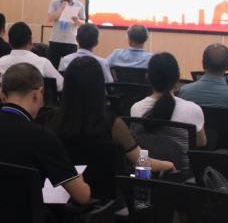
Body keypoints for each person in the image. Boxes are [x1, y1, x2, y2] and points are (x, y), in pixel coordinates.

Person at [0, 63, 91, 206]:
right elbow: (83, 196)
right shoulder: (43, 138)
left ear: (2, 94)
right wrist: (79, 179)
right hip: (22, 218)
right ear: (38, 94)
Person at [47, 56, 175, 174]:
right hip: (106, 189)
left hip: (63, 187)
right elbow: (141, 161)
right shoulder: (112, 123)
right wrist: (168, 164)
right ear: (99, 85)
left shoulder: (51, 119)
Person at [131, 52, 207, 156]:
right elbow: (201, 143)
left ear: (147, 77)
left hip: (146, 165)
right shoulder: (193, 109)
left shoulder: (136, 108)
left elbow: (137, 143)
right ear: (177, 79)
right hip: (181, 166)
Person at [0, 22, 63, 91]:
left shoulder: (0, 63)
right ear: (30, 41)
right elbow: (61, 85)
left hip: (7, 98)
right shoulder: (43, 63)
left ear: (9, 43)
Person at [45, 0, 85, 68]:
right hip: (55, 40)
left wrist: (77, 21)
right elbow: (50, 19)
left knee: (70, 68)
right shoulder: (54, 2)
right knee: (52, 67)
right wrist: (61, 8)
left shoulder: (79, 5)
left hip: (71, 42)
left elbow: (83, 23)